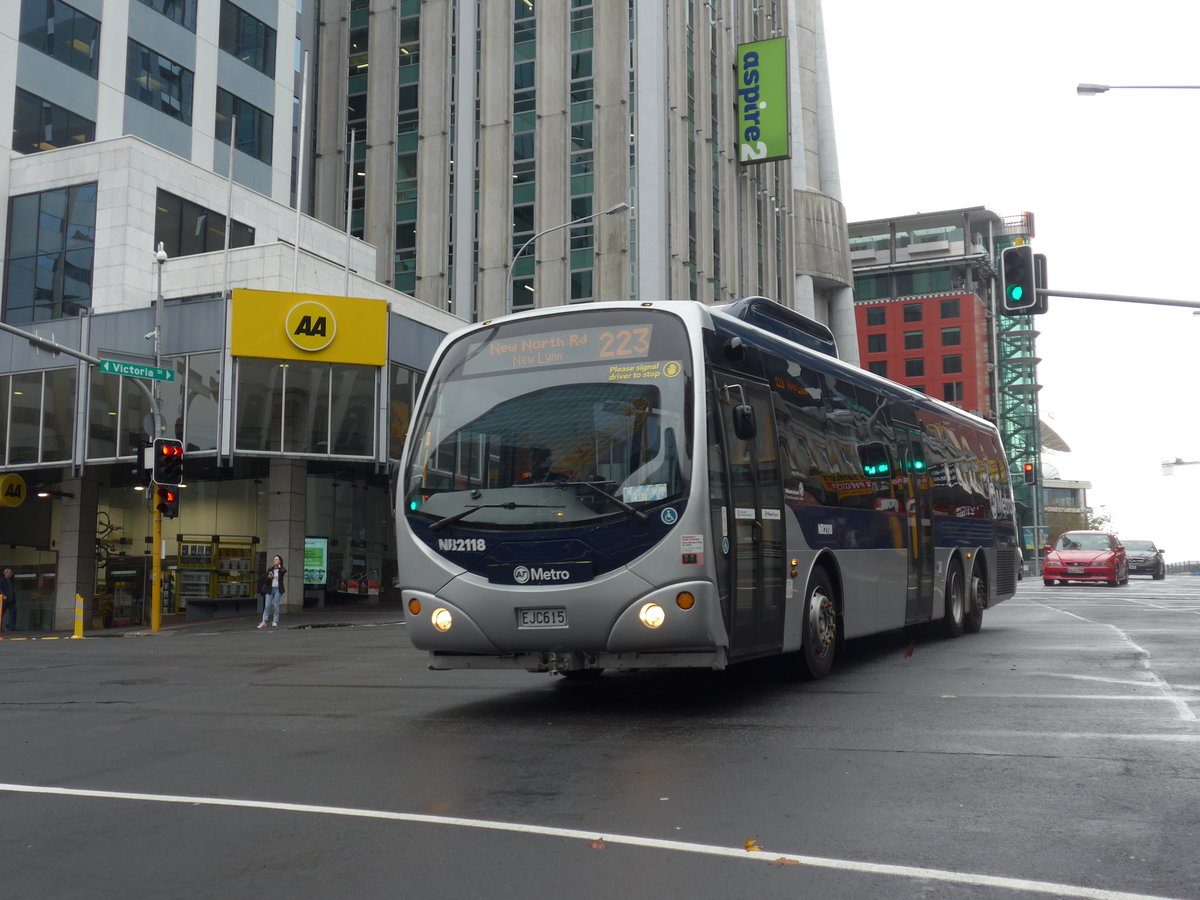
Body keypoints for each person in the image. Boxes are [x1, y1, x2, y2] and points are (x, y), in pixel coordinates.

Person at [258, 555, 286, 629]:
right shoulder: (270, 569)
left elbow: (283, 571)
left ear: (279, 561)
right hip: (270, 589)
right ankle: (264, 621)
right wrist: (269, 577)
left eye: (277, 559)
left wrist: (278, 566)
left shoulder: (281, 569)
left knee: (276, 605)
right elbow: (266, 581)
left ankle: (275, 621)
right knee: (267, 605)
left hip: (278, 589)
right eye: (274, 559)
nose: (275, 560)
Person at [0, 567, 14, 632]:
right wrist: (3, 595)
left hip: (11, 600)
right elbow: (0, 588)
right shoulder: (2, 580)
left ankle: (12, 626)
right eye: (10, 572)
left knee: (13, 612)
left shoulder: (11, 580)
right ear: (6, 573)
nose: (11, 574)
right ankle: (0, 628)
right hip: (4, 600)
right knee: (1, 614)